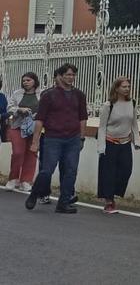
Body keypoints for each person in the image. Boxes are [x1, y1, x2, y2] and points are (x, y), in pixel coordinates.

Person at [26, 62, 89, 214]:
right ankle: (36, 192)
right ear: (60, 76)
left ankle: (64, 203)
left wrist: (81, 138)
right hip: (53, 138)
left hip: (73, 139)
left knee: (70, 171)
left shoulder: (79, 95)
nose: (70, 77)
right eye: (67, 74)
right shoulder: (48, 95)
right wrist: (35, 142)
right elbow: (40, 119)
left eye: (73, 75)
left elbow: (82, 118)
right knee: (47, 170)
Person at [96, 76, 140, 214]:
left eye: (128, 86)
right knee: (108, 173)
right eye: (124, 86)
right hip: (110, 142)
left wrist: (137, 141)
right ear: (116, 88)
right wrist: (101, 146)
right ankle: (109, 201)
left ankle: (115, 192)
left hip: (125, 142)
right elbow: (102, 127)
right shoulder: (108, 105)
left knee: (126, 170)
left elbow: (134, 123)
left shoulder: (132, 103)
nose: (127, 89)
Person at [6, 72, 42, 192]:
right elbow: (9, 107)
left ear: (34, 81)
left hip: (34, 128)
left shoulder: (41, 94)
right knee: (17, 152)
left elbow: (45, 109)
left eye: (28, 80)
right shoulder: (17, 93)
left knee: (31, 153)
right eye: (24, 80)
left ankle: (26, 180)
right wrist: (19, 109)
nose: (25, 82)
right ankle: (13, 178)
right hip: (17, 126)